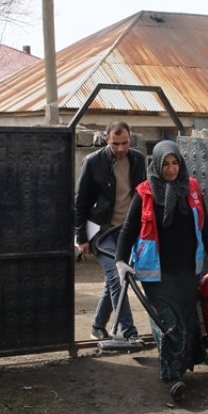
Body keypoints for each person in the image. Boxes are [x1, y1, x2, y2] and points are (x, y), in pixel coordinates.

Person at [115, 141, 208, 400]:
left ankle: (181, 366)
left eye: (175, 163)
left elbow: (205, 225)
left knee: (187, 320)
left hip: (188, 270)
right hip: (156, 272)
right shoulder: (145, 193)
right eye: (165, 163)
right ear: (156, 164)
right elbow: (128, 230)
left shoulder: (192, 189)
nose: (171, 169)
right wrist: (121, 261)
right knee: (169, 322)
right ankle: (171, 376)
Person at [74, 121, 147, 350]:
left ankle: (97, 324)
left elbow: (143, 195)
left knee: (113, 280)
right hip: (101, 231)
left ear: (130, 138)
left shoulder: (137, 159)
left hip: (128, 230)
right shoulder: (93, 162)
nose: (121, 148)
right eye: (115, 144)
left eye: (125, 142)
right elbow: (80, 202)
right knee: (118, 277)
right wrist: (81, 237)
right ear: (106, 139)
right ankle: (129, 333)